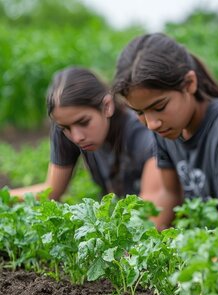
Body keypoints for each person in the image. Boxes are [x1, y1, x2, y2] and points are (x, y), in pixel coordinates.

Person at [10, 67, 171, 228]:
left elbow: (153, 212)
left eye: (84, 122)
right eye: (65, 128)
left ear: (107, 106)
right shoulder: (67, 127)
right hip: (127, 226)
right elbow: (51, 191)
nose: (76, 137)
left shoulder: (144, 137)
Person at [113, 33, 218, 224]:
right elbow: (169, 193)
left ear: (189, 83)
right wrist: (140, 243)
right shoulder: (166, 129)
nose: (151, 123)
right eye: (139, 112)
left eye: (159, 107)